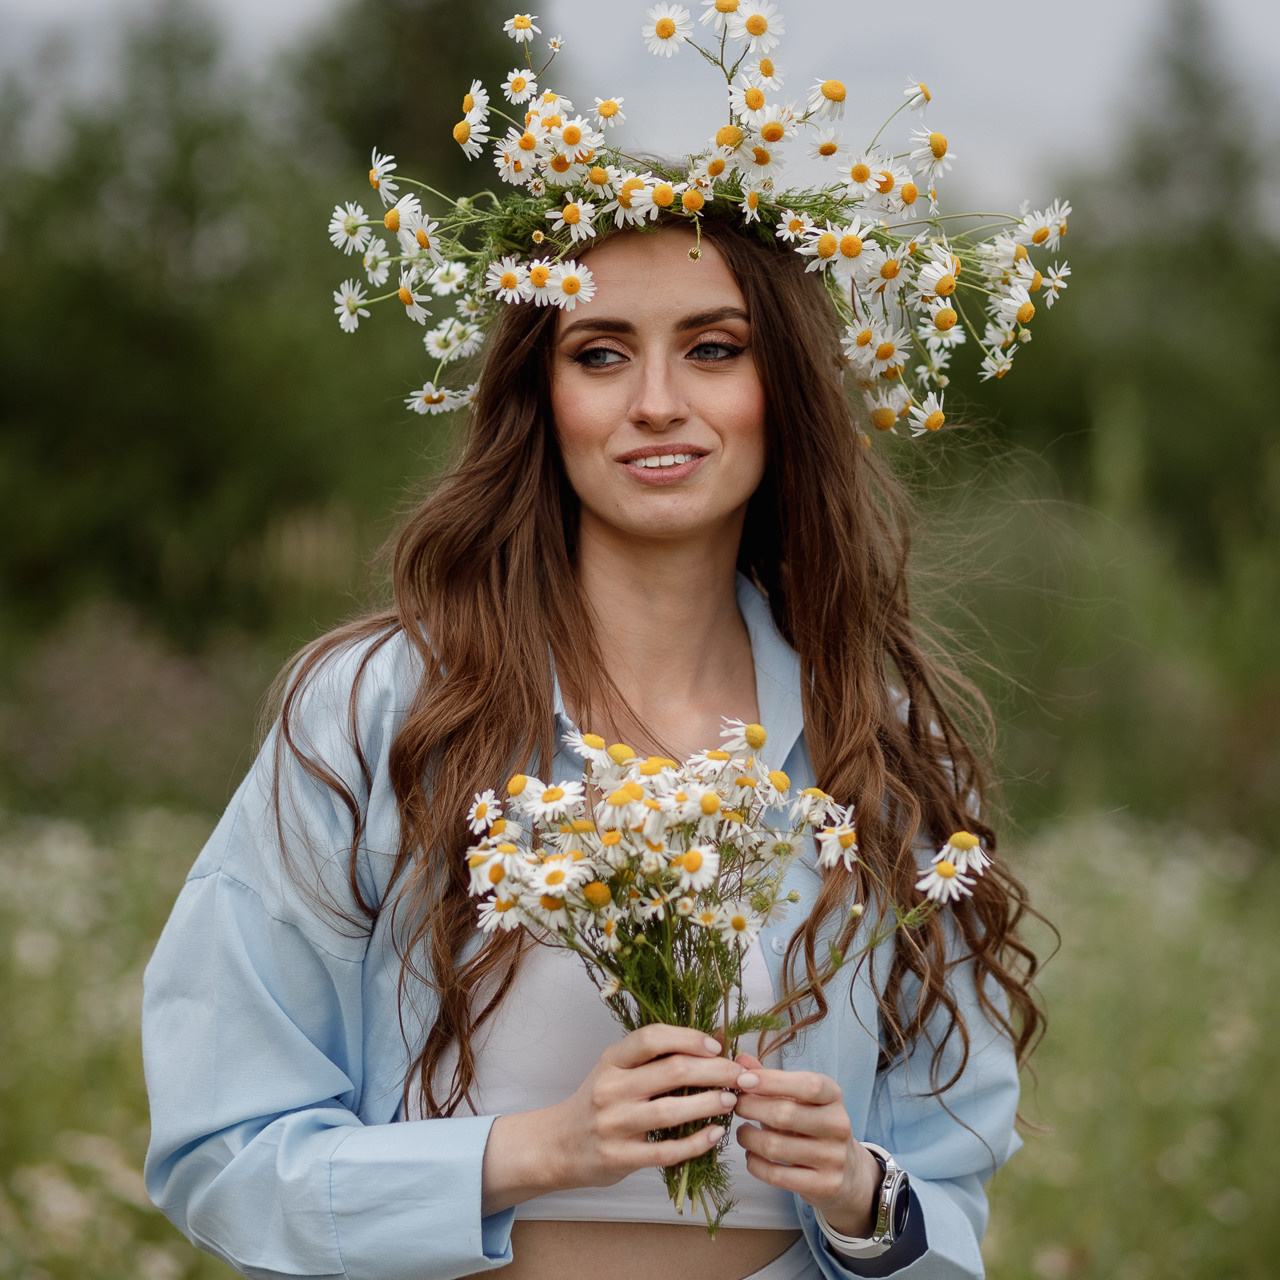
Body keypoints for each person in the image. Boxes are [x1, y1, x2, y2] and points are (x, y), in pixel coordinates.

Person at [142, 208, 1045, 1280]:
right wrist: (537, 1148)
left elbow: (945, 1197)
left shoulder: (877, 746)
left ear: (785, 391)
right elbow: (224, 1150)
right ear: (541, 395)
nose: (656, 402)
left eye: (713, 349)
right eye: (600, 353)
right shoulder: (378, 711)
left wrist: (856, 1189)